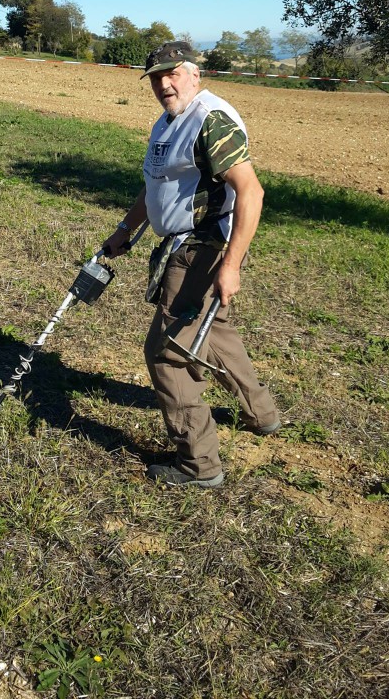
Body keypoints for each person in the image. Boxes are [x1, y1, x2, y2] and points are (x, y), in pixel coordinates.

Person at [102, 41, 280, 487]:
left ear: (195, 74)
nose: (165, 83)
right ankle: (263, 415)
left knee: (167, 353)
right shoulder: (168, 123)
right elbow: (155, 186)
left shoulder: (209, 120)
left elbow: (252, 192)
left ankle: (199, 465)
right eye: (157, 77)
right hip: (182, 245)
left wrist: (231, 264)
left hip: (201, 248)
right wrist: (125, 230)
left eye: (173, 73)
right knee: (215, 333)